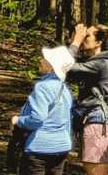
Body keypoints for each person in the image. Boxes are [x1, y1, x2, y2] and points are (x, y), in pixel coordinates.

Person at [67, 23, 108, 175]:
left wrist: (75, 43)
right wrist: (72, 42)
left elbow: (65, 66)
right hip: (97, 124)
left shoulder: (101, 63)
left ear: (98, 42)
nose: (83, 38)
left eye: (87, 36)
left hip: (97, 125)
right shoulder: (96, 62)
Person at [10, 46, 75, 175]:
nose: (40, 60)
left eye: (44, 59)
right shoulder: (65, 90)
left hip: (39, 147)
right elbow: (67, 121)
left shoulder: (42, 87)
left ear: (51, 65)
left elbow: (37, 118)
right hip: (62, 146)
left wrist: (18, 120)